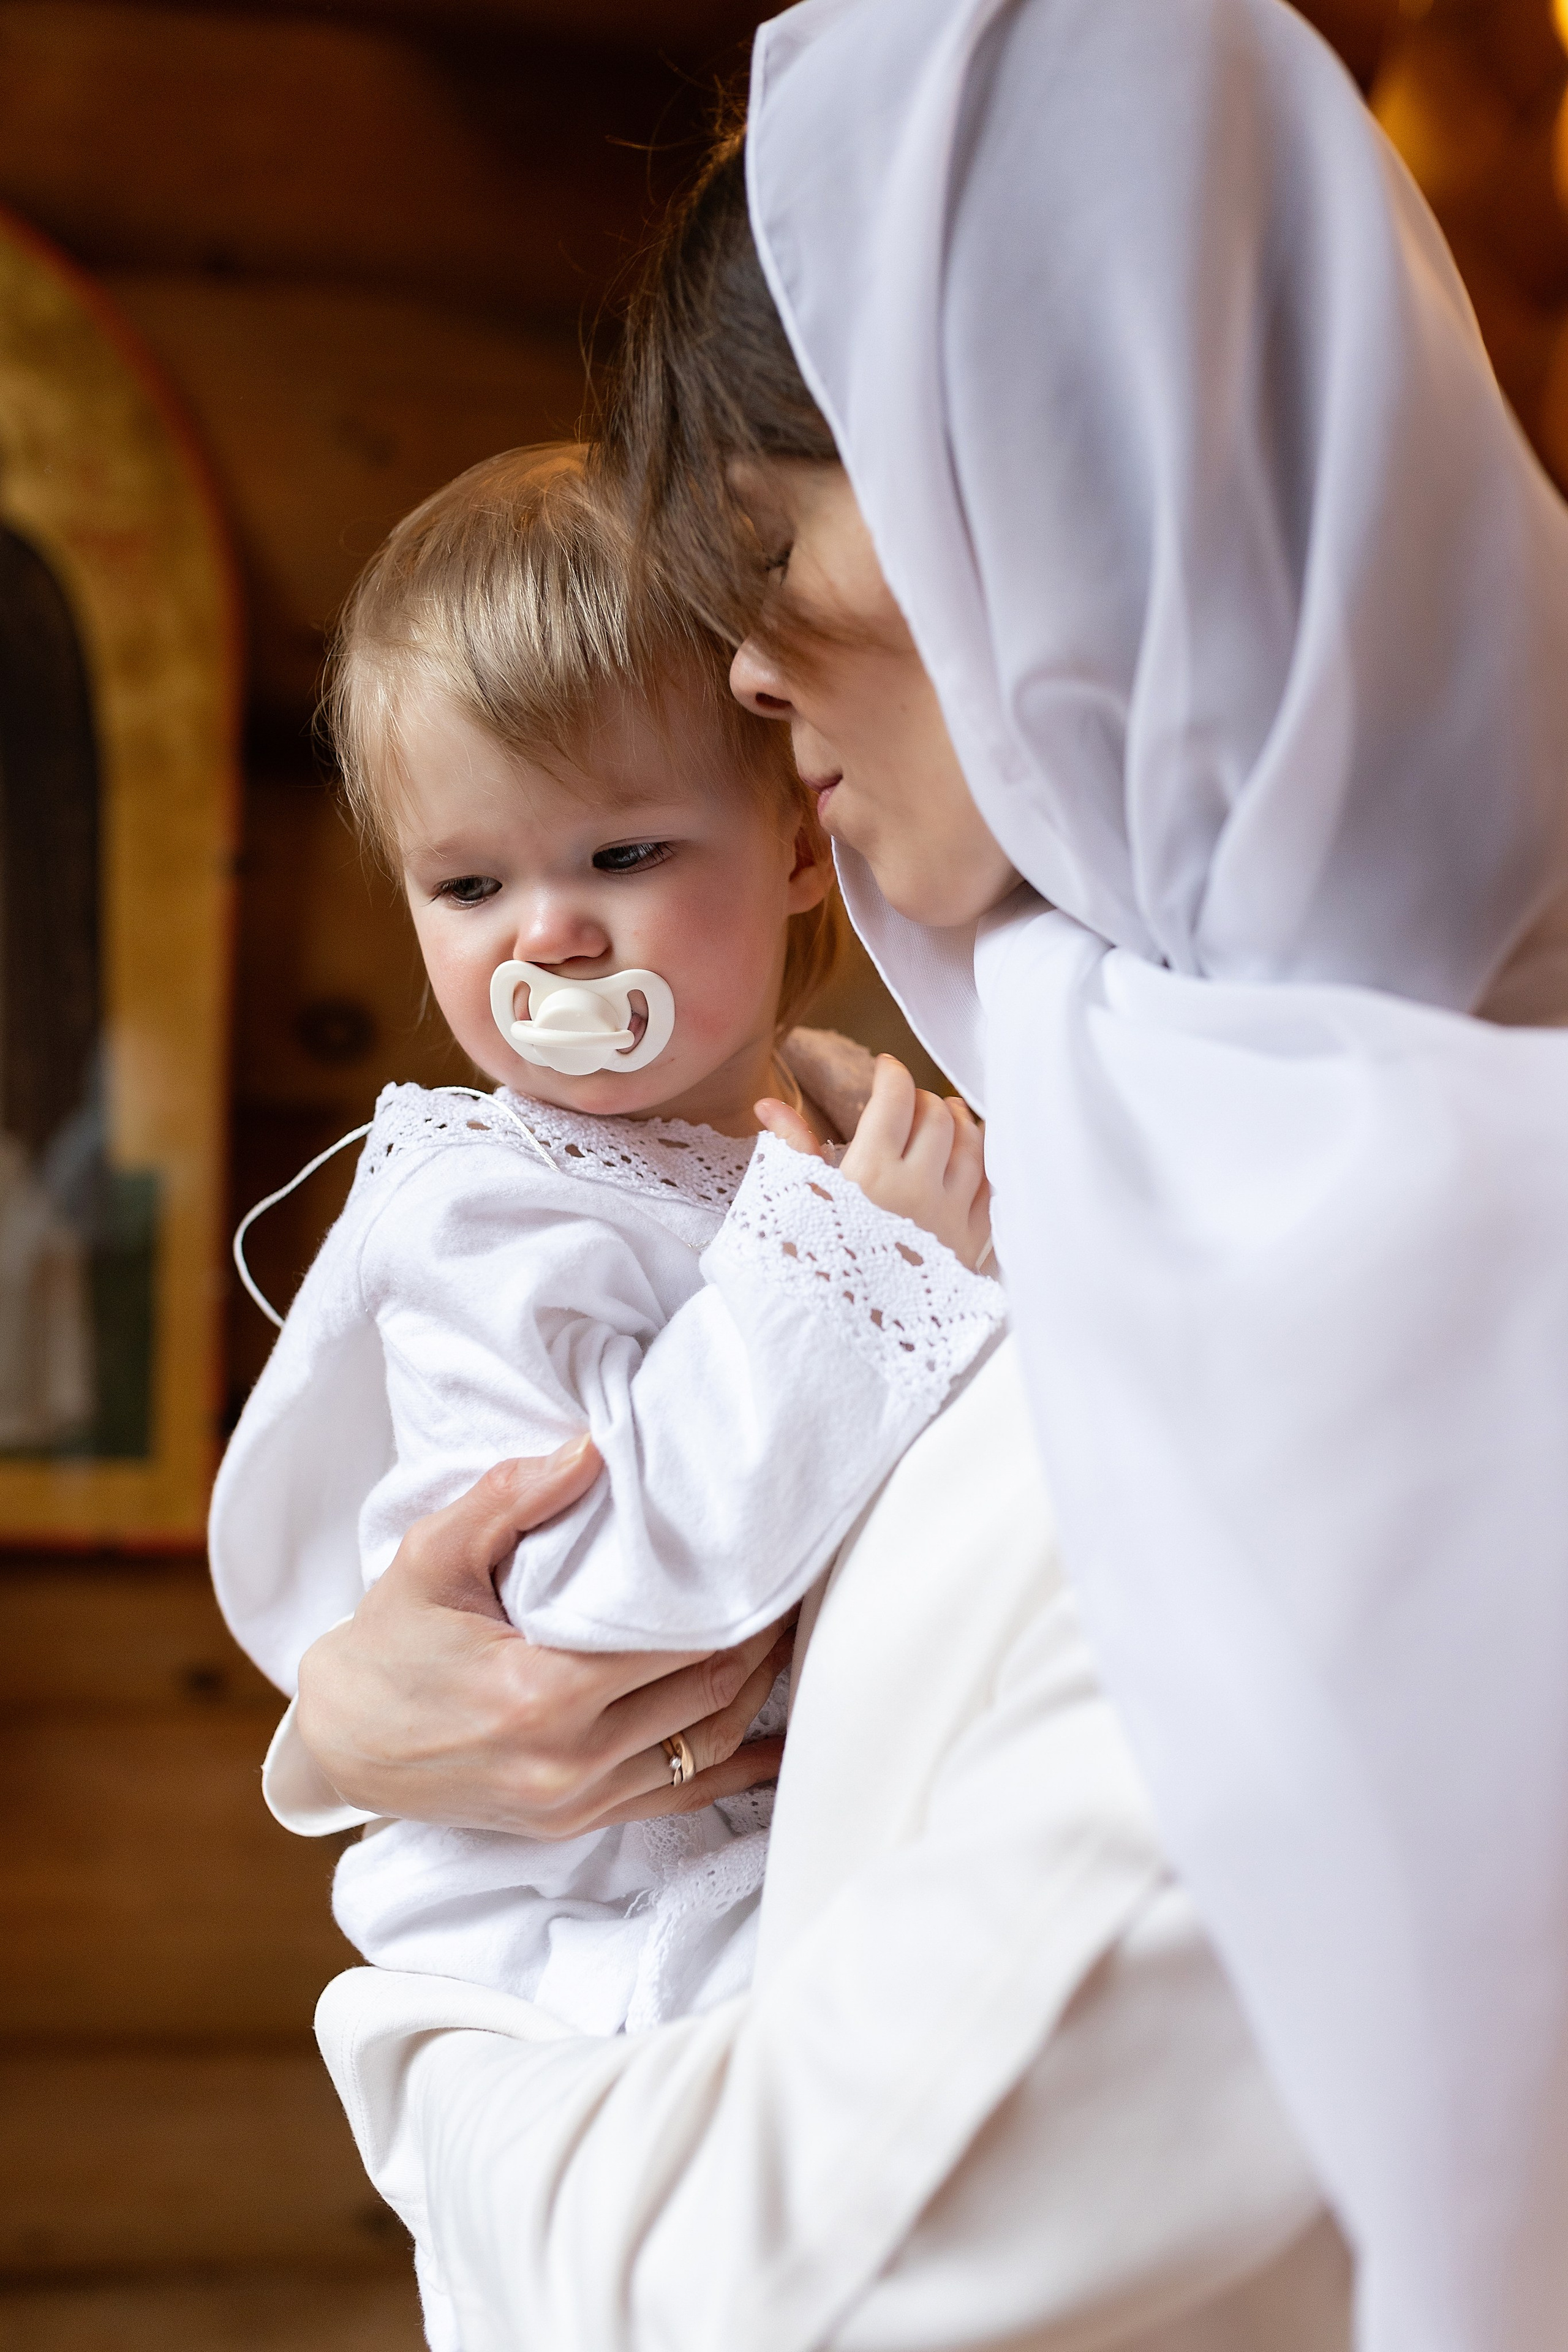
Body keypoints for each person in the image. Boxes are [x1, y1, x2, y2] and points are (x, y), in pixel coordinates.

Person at [284, 0, 1568, 2344]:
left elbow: (769, 2292)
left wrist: (410, 2023)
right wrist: (374, 1722)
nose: (747, 669)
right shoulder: (1099, 1132)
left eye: (767, 537)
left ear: (1055, 461)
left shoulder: (1388, 1280)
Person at [209, 444, 1001, 2340]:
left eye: (622, 855)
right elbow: (584, 1601)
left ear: (797, 842)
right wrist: (869, 1269)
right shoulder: (491, 1210)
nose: (547, 934)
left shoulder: (798, 1142)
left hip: (736, 1873)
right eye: (468, 880)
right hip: (584, 1952)